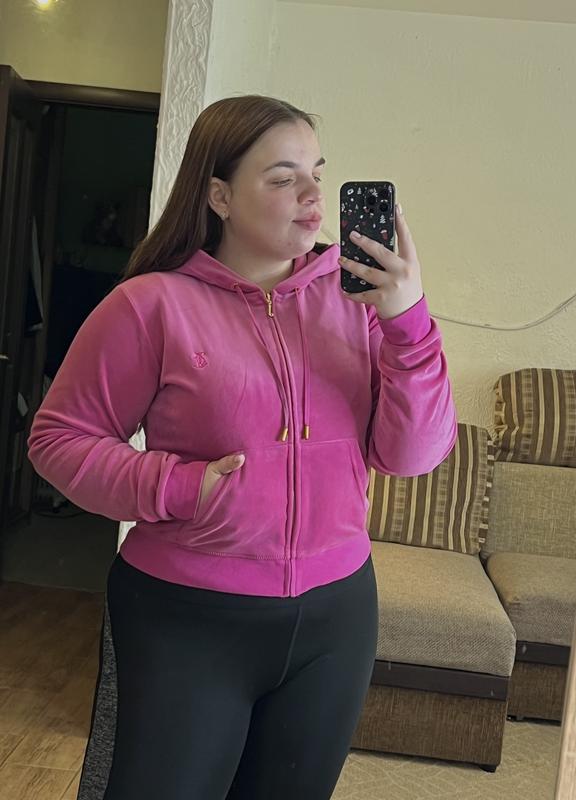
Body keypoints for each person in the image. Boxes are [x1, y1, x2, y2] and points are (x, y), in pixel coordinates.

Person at [27, 94, 458, 800]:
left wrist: (408, 322)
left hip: (336, 616)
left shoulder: (360, 304)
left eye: (317, 173)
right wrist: (175, 486)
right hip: (186, 616)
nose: (313, 196)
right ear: (219, 196)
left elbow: (412, 456)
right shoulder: (151, 305)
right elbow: (58, 439)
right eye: (284, 178)